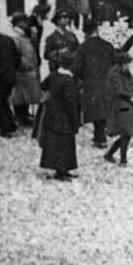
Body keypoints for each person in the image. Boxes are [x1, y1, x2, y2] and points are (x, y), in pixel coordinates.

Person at [38, 49, 81, 180]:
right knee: (65, 144)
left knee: (54, 143)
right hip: (64, 117)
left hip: (52, 114)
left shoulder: (54, 75)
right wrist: (75, 119)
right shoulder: (68, 80)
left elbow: (43, 85)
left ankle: (58, 169)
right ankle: (62, 171)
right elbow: (70, 102)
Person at [102, 51, 133, 167]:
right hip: (120, 105)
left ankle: (110, 154)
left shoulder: (124, 73)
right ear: (122, 63)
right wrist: (131, 97)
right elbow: (118, 90)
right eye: (127, 64)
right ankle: (123, 160)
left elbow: (131, 85)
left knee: (126, 133)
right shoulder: (115, 74)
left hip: (125, 104)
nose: (128, 66)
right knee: (126, 132)